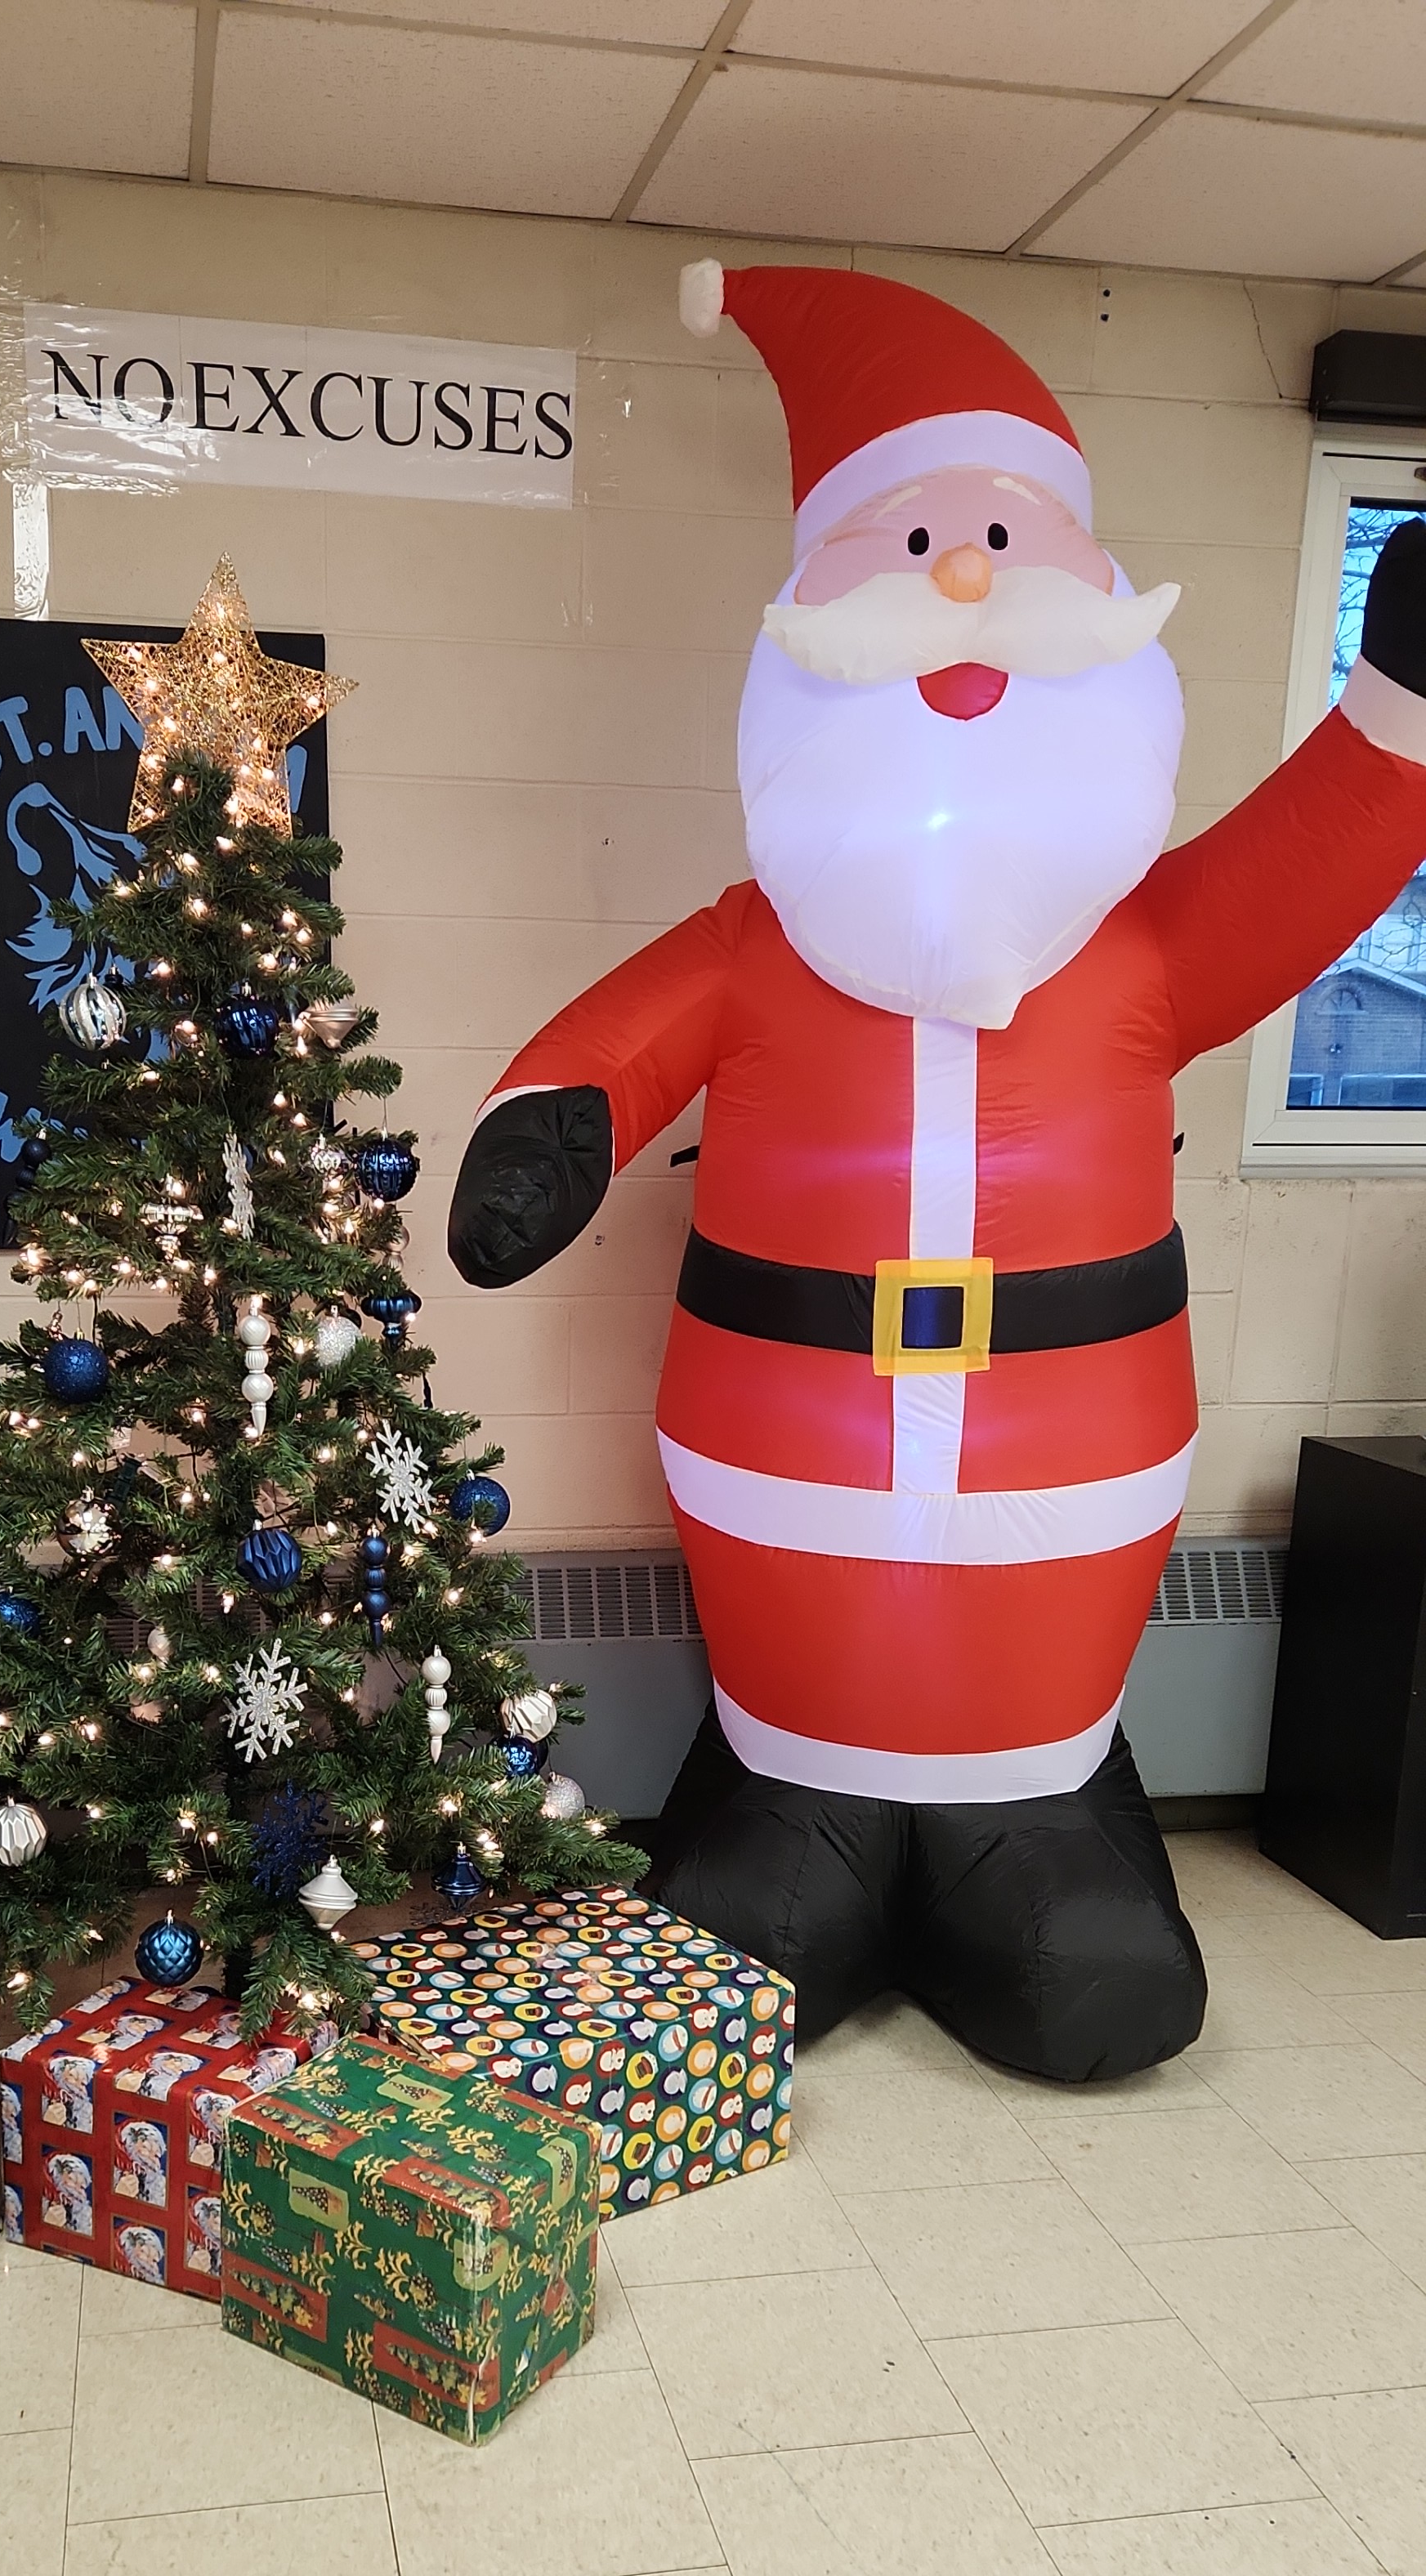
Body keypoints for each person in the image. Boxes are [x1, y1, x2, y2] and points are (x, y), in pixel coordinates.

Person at [448, 261, 1426, 2082]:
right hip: (783, 1458)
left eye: (999, 539)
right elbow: (609, 1050)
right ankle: (791, 1808)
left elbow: (1323, 852)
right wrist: (544, 1132)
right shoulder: (756, 946)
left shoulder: (1149, 948)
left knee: (1089, 1977)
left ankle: (1032, 1824)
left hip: (1067, 1474)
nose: (963, 579)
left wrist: (1399, 706)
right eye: (915, 544)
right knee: (767, 1871)